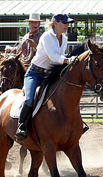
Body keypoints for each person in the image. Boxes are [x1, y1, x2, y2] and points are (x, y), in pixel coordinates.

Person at [15, 13, 77, 141]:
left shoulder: (64, 39)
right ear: (56, 23)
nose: (67, 25)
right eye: (64, 23)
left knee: (65, 96)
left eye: (68, 23)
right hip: (35, 73)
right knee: (29, 99)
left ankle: (73, 123)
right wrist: (68, 60)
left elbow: (57, 59)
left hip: (49, 73)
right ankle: (21, 126)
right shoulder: (47, 36)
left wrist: (66, 62)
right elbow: (53, 56)